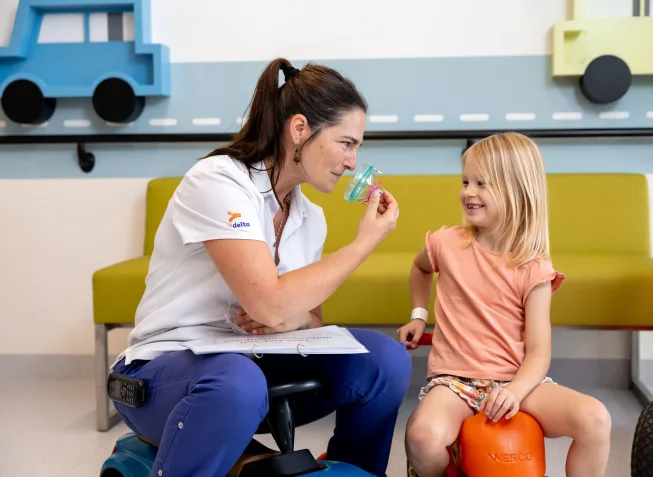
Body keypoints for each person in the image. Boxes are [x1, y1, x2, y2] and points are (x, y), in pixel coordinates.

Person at [110, 57, 412, 477]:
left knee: (386, 360)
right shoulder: (219, 181)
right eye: (346, 143)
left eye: (356, 147)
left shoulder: (310, 218)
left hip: (251, 366)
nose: (351, 161)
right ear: (300, 129)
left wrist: (290, 322)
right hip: (164, 371)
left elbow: (311, 319)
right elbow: (268, 303)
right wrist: (364, 244)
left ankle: (352, 469)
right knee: (237, 382)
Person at [397, 132, 612, 477]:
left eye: (482, 183)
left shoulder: (534, 268)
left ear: (516, 191)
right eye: (466, 181)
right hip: (456, 383)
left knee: (595, 418)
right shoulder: (445, 243)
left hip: (518, 383)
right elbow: (419, 268)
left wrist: (514, 390)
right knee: (422, 436)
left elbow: (539, 353)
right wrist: (419, 316)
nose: (468, 192)